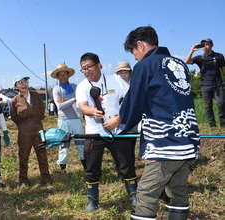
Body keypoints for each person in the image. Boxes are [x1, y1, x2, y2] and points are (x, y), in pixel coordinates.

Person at [115, 26, 200, 220]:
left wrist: (120, 121)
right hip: (188, 140)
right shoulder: (178, 63)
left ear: (140, 45)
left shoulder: (146, 65)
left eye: (134, 52)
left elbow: (133, 102)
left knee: (146, 194)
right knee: (177, 190)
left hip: (165, 142)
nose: (135, 57)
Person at [75, 52, 137, 212]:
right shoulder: (82, 86)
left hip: (117, 131)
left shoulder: (115, 80)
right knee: (91, 168)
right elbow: (82, 105)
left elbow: (130, 99)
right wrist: (91, 111)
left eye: (89, 67)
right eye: (83, 69)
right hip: (94, 133)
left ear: (99, 65)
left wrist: (119, 119)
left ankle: (134, 197)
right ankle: (92, 202)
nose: (87, 71)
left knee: (127, 165)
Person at [10, 75, 52, 188]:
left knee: (42, 154)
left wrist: (37, 119)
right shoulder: (15, 100)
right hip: (24, 131)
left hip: (38, 128)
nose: (23, 84)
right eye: (20, 82)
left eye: (25, 81)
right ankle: (23, 181)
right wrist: (23, 125)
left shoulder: (36, 95)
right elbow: (14, 116)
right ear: (16, 87)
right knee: (23, 156)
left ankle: (46, 179)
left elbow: (42, 109)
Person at [51, 64, 86, 172]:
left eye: (64, 74)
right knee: (63, 145)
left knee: (81, 143)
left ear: (68, 75)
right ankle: (62, 170)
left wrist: (67, 101)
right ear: (57, 77)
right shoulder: (56, 89)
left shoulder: (75, 86)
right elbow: (60, 106)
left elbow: (81, 99)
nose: (63, 77)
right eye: (60, 75)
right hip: (63, 120)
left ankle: (86, 167)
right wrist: (73, 99)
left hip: (76, 119)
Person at [185, 38, 225, 128]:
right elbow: (187, 62)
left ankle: (223, 124)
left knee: (221, 103)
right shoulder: (200, 58)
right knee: (208, 106)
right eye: (203, 45)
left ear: (212, 45)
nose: (205, 46)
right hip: (205, 84)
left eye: (207, 44)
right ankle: (212, 125)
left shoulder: (219, 56)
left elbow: (224, 71)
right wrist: (192, 50)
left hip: (217, 83)